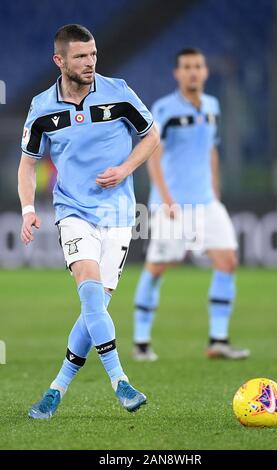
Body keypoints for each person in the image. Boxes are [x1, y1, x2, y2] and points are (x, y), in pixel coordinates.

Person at [18, 24, 159, 419]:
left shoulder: (118, 92)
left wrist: (125, 168)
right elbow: (28, 164)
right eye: (81, 56)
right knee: (90, 294)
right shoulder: (42, 108)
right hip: (73, 212)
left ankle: (55, 389)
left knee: (93, 309)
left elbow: (151, 135)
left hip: (117, 215)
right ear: (59, 61)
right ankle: (121, 382)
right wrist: (29, 210)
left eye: (93, 54)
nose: (90, 62)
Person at [133, 48, 249, 361]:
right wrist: (167, 199)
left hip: (207, 202)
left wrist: (215, 187)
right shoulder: (165, 108)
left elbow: (211, 148)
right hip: (172, 205)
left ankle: (218, 341)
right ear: (177, 73)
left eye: (198, 66)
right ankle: (141, 342)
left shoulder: (213, 106)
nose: (193, 72)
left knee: (228, 261)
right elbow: (152, 154)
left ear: (205, 71)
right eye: (187, 67)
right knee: (158, 267)